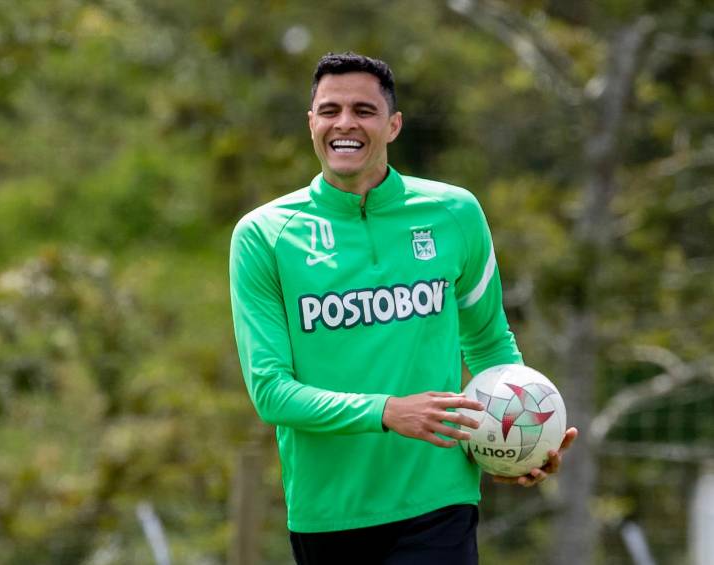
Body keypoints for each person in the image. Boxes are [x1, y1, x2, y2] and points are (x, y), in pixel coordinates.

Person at [229, 52, 577, 565]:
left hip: (439, 500)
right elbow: (271, 392)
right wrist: (389, 412)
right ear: (311, 123)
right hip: (328, 511)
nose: (345, 123)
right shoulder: (263, 236)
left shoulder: (454, 212)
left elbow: (489, 344)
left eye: (364, 111)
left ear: (393, 125)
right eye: (330, 110)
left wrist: (520, 435)